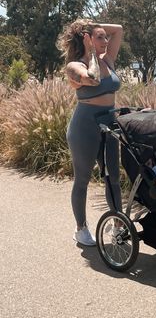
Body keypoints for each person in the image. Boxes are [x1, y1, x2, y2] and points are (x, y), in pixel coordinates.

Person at [58, 19, 123, 246]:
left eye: (106, 37)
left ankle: (117, 227)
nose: (106, 41)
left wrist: (91, 24)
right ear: (87, 40)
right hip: (84, 126)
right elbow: (92, 80)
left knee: (113, 178)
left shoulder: (109, 59)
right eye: (99, 37)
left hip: (109, 123)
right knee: (82, 179)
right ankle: (81, 228)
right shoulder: (75, 66)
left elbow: (119, 29)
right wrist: (89, 47)